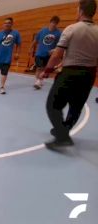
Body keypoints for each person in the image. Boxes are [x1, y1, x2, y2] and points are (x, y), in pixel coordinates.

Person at [40, 0, 98, 150]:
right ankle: (63, 131)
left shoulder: (71, 29)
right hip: (89, 74)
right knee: (76, 107)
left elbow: (57, 54)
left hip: (70, 73)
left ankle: (62, 135)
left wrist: (47, 70)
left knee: (53, 105)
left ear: (80, 11)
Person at [0, 17, 22, 95]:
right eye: (5, 23)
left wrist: (17, 53)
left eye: (9, 23)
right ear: (3, 24)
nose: (7, 24)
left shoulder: (15, 33)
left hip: (7, 58)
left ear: (12, 24)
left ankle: (2, 87)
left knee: (4, 73)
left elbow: (19, 44)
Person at [30, 16, 62, 90]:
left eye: (55, 23)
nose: (53, 24)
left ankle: (39, 80)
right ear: (50, 22)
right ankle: (38, 81)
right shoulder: (43, 31)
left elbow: (59, 45)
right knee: (39, 67)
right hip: (40, 53)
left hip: (49, 54)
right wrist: (30, 48)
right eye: (52, 22)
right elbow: (35, 40)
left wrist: (54, 50)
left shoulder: (58, 33)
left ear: (57, 24)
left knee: (44, 69)